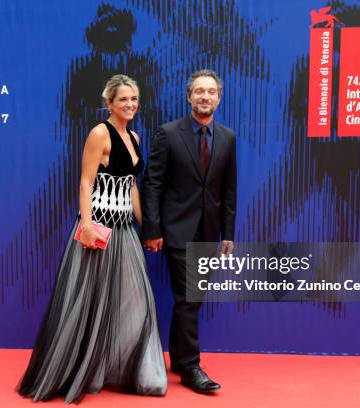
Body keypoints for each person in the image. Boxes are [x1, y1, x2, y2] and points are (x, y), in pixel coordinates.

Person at [17, 74, 167, 403]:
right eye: (123, 99)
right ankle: (80, 370)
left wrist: (149, 227)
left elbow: (131, 186)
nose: (130, 104)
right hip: (98, 229)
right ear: (109, 102)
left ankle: (119, 368)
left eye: (134, 99)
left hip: (126, 229)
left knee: (132, 301)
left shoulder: (135, 138)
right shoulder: (100, 133)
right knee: (89, 302)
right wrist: (85, 224)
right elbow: (86, 182)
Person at [142, 69, 237, 394]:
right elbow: (152, 184)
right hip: (176, 230)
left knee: (190, 300)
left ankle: (182, 361)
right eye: (199, 91)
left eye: (211, 91)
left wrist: (228, 233)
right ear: (189, 97)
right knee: (189, 296)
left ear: (219, 98)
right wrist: (152, 229)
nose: (205, 96)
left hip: (209, 232)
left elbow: (229, 189)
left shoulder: (227, 137)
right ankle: (190, 367)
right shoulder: (168, 134)